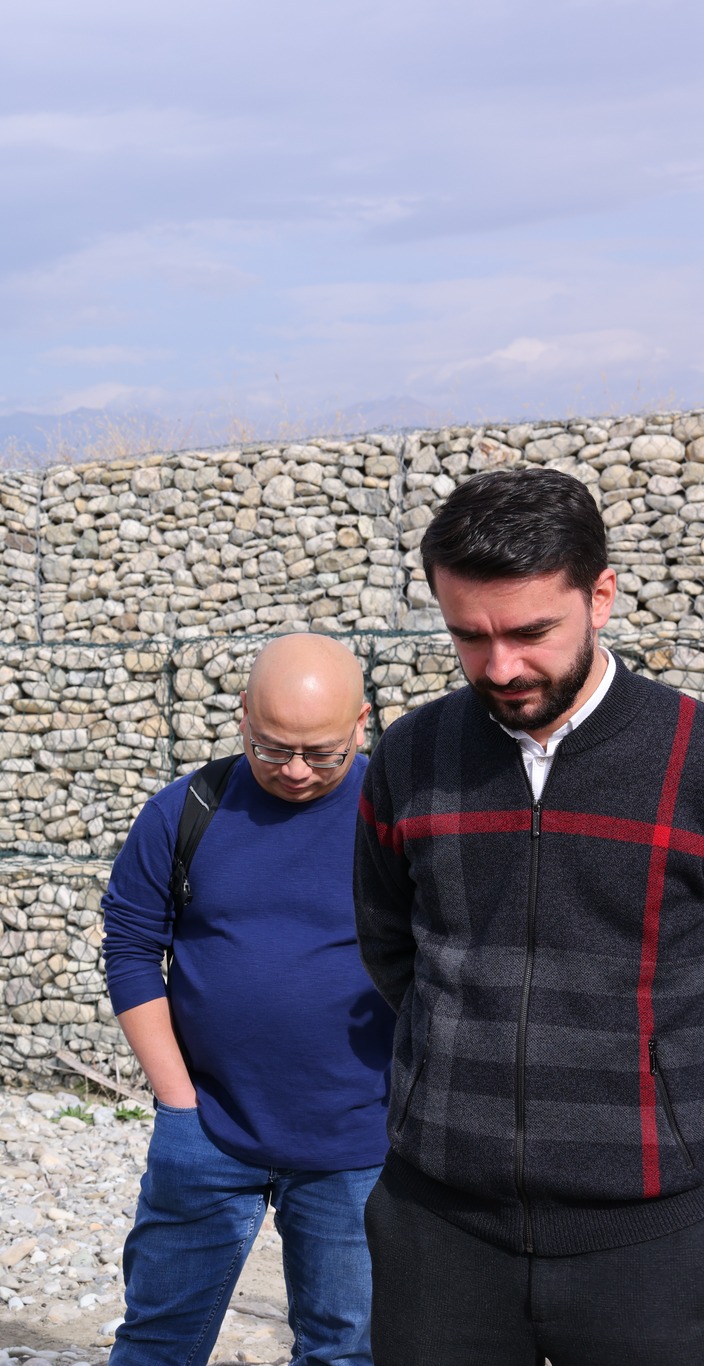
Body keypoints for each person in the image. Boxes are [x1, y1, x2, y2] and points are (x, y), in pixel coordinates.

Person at [355, 465, 704, 1363]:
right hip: (438, 1228)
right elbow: (389, 943)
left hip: (657, 1233)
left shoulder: (695, 757)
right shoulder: (411, 754)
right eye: (468, 636)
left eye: (530, 632)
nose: (501, 667)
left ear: (601, 595)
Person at [101, 634, 391, 1366]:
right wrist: (176, 1101)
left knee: (346, 1351)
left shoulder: (399, 820)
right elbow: (131, 948)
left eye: (322, 754)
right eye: (271, 748)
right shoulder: (185, 811)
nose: (294, 770)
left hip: (355, 1142)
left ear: (361, 724)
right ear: (242, 715)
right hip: (205, 1128)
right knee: (157, 1342)